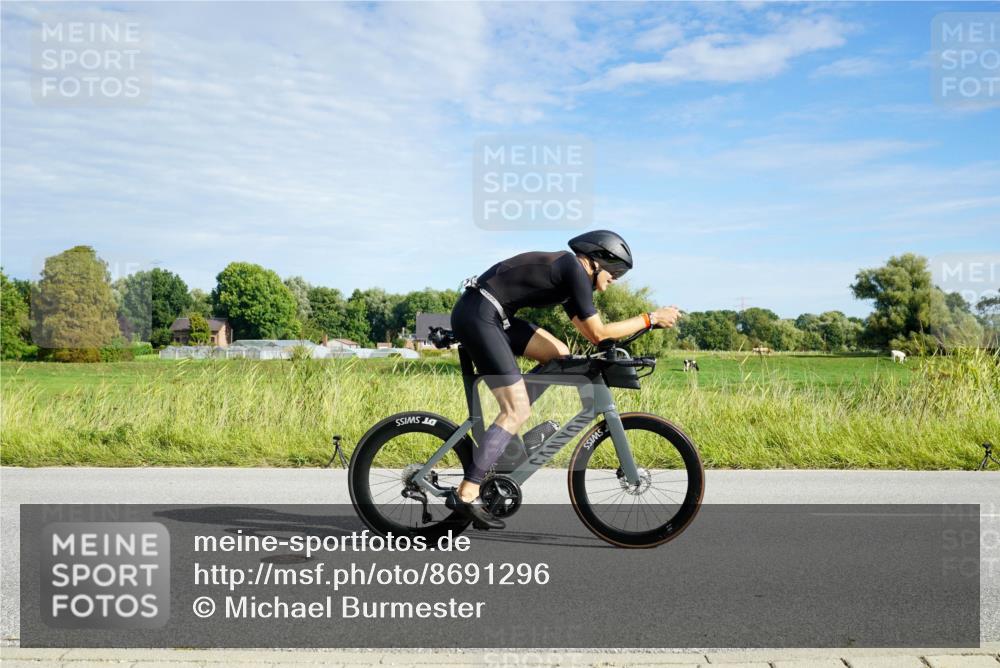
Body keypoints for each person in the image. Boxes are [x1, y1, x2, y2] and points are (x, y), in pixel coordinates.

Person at [444, 230, 680, 529]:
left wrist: (618, 347)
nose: (610, 285)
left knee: (559, 354)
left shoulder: (571, 279)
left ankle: (508, 438)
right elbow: (599, 332)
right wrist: (650, 318)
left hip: (493, 314)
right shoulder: (573, 269)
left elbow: (593, 337)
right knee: (516, 410)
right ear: (599, 260)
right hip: (479, 314)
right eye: (615, 275)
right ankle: (467, 493)